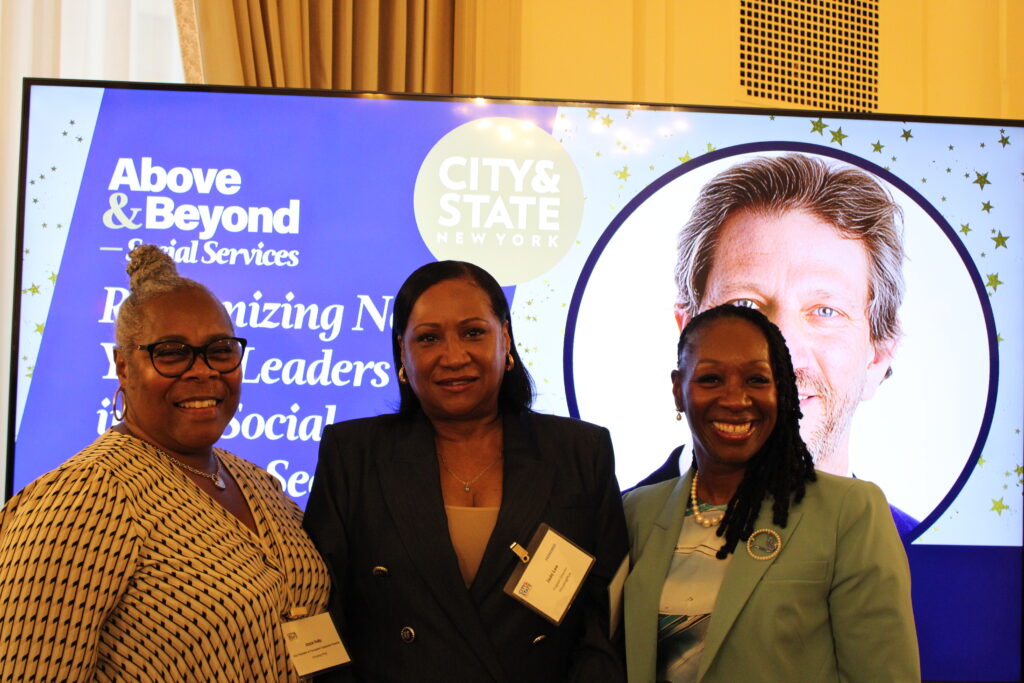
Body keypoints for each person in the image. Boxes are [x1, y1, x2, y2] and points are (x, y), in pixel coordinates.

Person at [0, 244, 331, 681]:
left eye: (220, 350)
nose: (203, 371)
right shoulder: (79, 502)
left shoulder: (256, 483)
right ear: (123, 367)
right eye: (171, 353)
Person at [304, 260, 628, 683]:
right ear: (402, 352)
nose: (454, 356)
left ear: (505, 339)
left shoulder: (581, 452)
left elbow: (603, 619)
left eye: (473, 332)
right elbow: (321, 612)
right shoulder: (352, 455)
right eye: (429, 338)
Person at [623, 304, 919, 682]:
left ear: (783, 391)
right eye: (711, 379)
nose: (734, 399)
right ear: (678, 391)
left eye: (757, 380)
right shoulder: (636, 513)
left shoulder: (852, 511)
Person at [640, 152, 917, 534]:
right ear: (687, 335)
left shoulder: (934, 567)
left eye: (825, 310)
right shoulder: (605, 535)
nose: (780, 355)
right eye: (745, 306)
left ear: (879, 357)